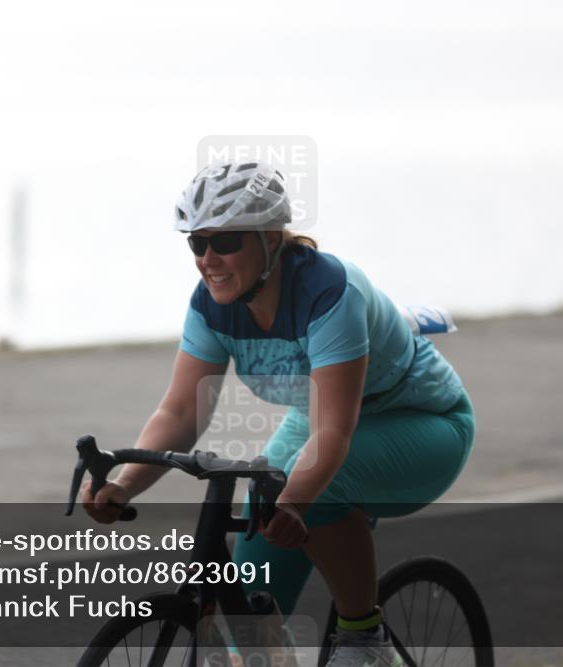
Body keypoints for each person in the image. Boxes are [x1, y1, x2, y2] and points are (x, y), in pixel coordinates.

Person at [81, 162, 476, 667]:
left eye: (224, 243)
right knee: (248, 606)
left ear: (271, 238)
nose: (208, 259)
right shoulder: (211, 304)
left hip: (425, 422)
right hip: (325, 420)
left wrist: (294, 501)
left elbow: (335, 429)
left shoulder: (329, 290)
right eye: (196, 244)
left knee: (305, 486)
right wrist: (125, 483)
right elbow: (180, 410)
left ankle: (364, 639)